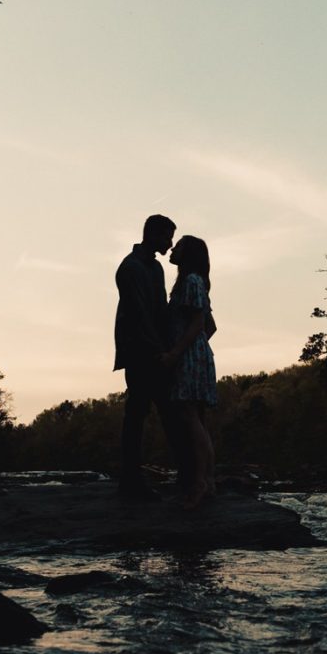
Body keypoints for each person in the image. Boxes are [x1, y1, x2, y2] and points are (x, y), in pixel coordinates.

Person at [113, 214, 186, 500]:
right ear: (153, 235)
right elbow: (138, 315)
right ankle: (130, 480)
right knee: (138, 413)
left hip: (157, 350)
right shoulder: (130, 268)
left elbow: (160, 311)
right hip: (140, 352)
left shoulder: (155, 268)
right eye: (167, 237)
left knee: (166, 412)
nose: (170, 243)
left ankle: (183, 474)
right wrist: (159, 351)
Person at [162, 234, 218, 510]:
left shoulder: (192, 281)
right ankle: (206, 481)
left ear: (189, 253)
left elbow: (199, 323)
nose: (173, 248)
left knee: (190, 418)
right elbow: (211, 326)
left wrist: (178, 352)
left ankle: (201, 484)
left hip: (188, 357)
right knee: (197, 419)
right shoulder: (191, 283)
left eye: (179, 245)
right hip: (194, 354)